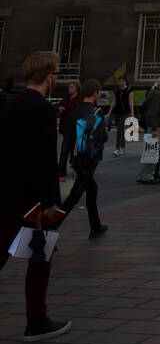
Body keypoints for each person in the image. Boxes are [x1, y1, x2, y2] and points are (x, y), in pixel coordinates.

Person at [0, 51, 70, 339]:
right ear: (50, 77)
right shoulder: (43, 109)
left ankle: (38, 319)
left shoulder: (10, 105)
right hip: (32, 199)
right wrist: (52, 201)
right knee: (42, 254)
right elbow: (44, 159)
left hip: (6, 192)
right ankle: (36, 319)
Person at [60, 79, 109, 238]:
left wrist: (62, 165)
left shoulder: (75, 112)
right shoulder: (97, 112)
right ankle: (51, 226)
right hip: (90, 159)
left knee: (91, 189)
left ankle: (95, 226)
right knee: (74, 195)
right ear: (95, 93)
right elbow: (102, 137)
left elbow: (67, 141)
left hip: (76, 158)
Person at [137, 74, 160, 183]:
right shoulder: (157, 94)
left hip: (152, 125)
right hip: (154, 126)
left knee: (149, 151)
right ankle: (148, 176)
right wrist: (154, 128)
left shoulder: (153, 92)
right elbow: (153, 112)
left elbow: (153, 110)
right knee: (151, 152)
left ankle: (144, 174)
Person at [56, 79, 81, 181]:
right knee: (64, 150)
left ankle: (75, 168)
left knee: (73, 150)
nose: (69, 89)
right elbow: (59, 106)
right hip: (66, 127)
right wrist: (59, 108)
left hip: (75, 127)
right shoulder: (66, 98)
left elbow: (77, 112)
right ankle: (61, 172)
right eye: (69, 87)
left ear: (77, 88)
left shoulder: (79, 99)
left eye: (72, 87)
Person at [111, 76, 132, 157]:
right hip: (118, 112)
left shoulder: (129, 90)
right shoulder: (116, 90)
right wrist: (109, 113)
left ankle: (117, 149)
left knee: (120, 129)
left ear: (125, 82)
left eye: (122, 81)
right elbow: (113, 102)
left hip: (126, 112)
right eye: (119, 81)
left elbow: (131, 102)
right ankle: (123, 147)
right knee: (121, 130)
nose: (121, 83)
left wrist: (132, 113)